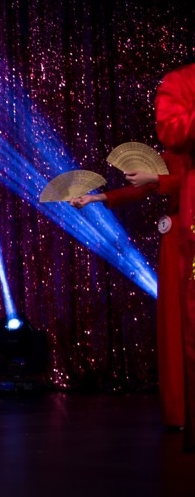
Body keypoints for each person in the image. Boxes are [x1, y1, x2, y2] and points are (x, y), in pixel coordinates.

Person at [71, 156, 185, 429]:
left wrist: (155, 179)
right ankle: (181, 411)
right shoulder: (171, 153)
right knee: (175, 319)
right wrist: (94, 198)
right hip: (176, 236)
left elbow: (180, 182)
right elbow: (141, 188)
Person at [153, 62, 195, 453]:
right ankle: (183, 412)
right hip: (184, 228)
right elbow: (168, 179)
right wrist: (102, 197)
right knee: (184, 319)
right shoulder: (180, 84)